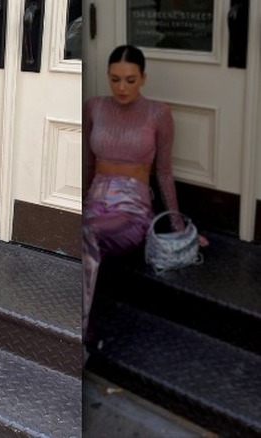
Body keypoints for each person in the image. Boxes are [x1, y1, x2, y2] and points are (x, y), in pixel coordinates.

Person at [82, 45, 207, 340]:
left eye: (130, 79)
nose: (121, 87)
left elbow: (163, 171)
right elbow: (88, 163)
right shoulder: (94, 106)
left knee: (85, 233)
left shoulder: (158, 113)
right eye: (114, 79)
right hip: (95, 200)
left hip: (131, 208)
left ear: (143, 78)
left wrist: (179, 226)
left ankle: (81, 337)